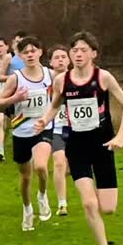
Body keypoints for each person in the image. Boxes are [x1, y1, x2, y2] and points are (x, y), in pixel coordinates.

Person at [36, 31, 123, 245]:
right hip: (76, 148)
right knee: (88, 203)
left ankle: (99, 214)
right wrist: (44, 120)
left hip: (103, 146)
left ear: (94, 54)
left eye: (83, 50)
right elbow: (55, 105)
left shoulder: (103, 77)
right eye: (74, 50)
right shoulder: (61, 81)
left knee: (107, 208)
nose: (78, 54)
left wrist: (120, 135)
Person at [0, 35, 53, 231]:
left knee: (40, 166)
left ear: (40, 52)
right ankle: (27, 208)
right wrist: (15, 98)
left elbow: (60, 96)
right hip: (21, 131)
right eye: (25, 52)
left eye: (33, 51)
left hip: (43, 128)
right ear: (19, 55)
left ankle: (42, 195)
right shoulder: (16, 78)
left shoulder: (50, 74)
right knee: (26, 176)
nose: (30, 55)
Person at [49, 45, 71, 217]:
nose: (60, 60)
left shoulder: (78, 79)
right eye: (56, 57)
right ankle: (62, 204)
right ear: (50, 62)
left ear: (69, 60)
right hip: (56, 129)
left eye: (63, 56)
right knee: (59, 163)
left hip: (78, 129)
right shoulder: (45, 81)